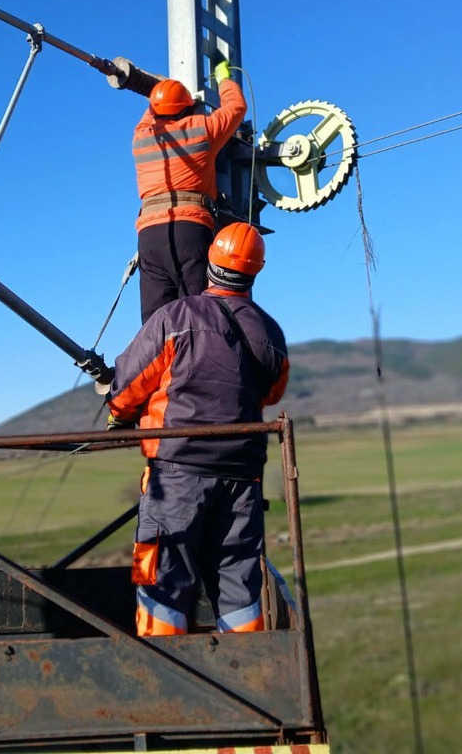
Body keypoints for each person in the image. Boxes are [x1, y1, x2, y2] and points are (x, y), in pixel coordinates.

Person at [104, 222, 289, 637]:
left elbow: (128, 385)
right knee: (239, 585)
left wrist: (117, 410)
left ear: (210, 263)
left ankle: (169, 677)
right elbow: (273, 391)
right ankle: (248, 674)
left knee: (164, 584)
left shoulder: (176, 317)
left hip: (176, 475)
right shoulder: (271, 333)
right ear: (255, 272)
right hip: (242, 478)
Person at [132, 59, 247, 323]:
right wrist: (223, 77)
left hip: (149, 237)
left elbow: (152, 110)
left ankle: (158, 362)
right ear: (189, 108)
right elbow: (236, 107)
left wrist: (160, 89)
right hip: (191, 230)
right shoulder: (202, 129)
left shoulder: (141, 136)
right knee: (197, 317)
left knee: (155, 324)